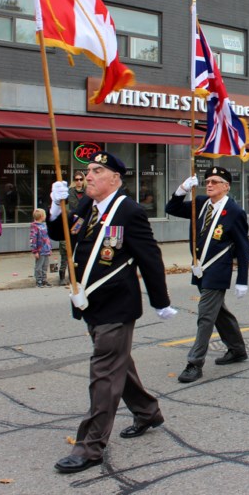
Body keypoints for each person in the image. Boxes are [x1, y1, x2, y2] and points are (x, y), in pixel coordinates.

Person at [48, 151, 176, 475]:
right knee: (120, 366)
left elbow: (149, 257)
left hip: (117, 306)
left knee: (104, 374)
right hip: (92, 304)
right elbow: (61, 233)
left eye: (97, 171)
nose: (88, 176)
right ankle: (147, 412)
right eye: (87, 171)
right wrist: (54, 208)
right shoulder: (86, 206)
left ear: (115, 179)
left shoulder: (129, 211)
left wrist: (160, 300)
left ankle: (90, 447)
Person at [166, 166, 249, 384]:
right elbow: (171, 208)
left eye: (214, 181)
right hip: (200, 268)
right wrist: (182, 189)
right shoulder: (201, 203)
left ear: (226, 186)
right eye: (207, 181)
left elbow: (242, 248)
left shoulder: (234, 212)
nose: (209, 184)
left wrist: (242, 280)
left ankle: (194, 363)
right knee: (219, 313)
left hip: (218, 270)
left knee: (205, 316)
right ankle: (237, 349)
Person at [58, 171, 88, 286]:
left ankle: (79, 276)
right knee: (66, 250)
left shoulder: (88, 192)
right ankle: (62, 276)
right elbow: (63, 207)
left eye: (81, 179)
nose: (79, 181)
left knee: (81, 251)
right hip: (70, 223)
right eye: (76, 179)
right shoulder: (69, 192)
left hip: (83, 223)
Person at [29, 208, 52, 288]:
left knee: (45, 266)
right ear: (42, 216)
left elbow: (47, 238)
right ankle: (38, 280)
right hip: (39, 250)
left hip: (46, 249)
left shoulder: (44, 226)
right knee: (39, 266)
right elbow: (33, 239)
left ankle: (44, 279)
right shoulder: (35, 227)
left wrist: (49, 248)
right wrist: (35, 251)